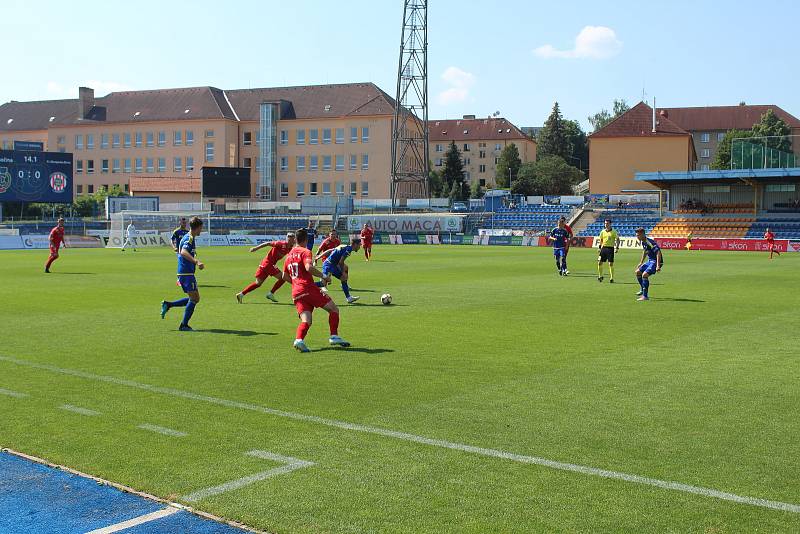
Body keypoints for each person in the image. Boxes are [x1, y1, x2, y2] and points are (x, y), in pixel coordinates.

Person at [283, 227, 350, 352]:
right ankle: (334, 336)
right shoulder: (305, 251)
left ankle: (299, 340)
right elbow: (308, 267)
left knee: (306, 320)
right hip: (308, 288)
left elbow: (284, 276)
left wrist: (296, 283)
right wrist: (324, 276)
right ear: (306, 240)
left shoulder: (289, 256)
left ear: (296, 239)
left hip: (296, 292)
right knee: (334, 309)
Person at [161, 217, 204, 331]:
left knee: (195, 298)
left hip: (186, 272)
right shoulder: (189, 238)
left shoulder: (189, 237)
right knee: (194, 299)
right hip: (186, 273)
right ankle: (183, 325)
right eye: (201, 228)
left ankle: (168, 305)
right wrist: (196, 261)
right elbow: (183, 252)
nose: (201, 231)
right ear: (198, 227)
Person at [236, 233, 295, 303]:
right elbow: (268, 243)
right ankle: (271, 293)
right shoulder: (281, 244)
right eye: (289, 237)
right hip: (268, 264)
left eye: (292, 238)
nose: (291, 239)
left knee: (258, 283)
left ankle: (241, 294)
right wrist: (256, 248)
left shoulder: (290, 248)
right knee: (283, 277)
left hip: (265, 264)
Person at [318, 238, 361, 304]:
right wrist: (343, 272)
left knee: (343, 278)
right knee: (323, 284)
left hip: (334, 265)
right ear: (355, 244)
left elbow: (330, 250)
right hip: (328, 265)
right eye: (359, 245)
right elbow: (341, 262)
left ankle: (348, 298)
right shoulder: (348, 250)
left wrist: (319, 256)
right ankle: (306, 286)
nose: (360, 247)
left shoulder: (344, 246)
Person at [634, 227, 663, 302]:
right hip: (650, 260)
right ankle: (642, 289)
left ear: (643, 234)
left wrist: (658, 265)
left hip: (655, 261)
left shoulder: (649, 242)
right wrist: (641, 262)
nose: (637, 237)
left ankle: (645, 296)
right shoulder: (643, 242)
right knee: (638, 272)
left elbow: (658, 252)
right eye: (636, 235)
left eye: (638, 235)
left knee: (644, 275)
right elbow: (645, 251)